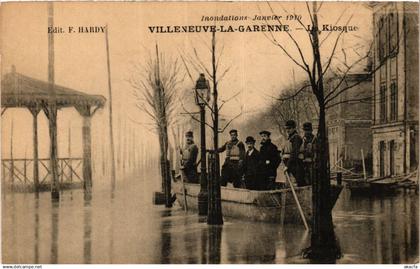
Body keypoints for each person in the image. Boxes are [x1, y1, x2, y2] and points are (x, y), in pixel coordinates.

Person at [282, 120, 306, 187]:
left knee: (296, 183)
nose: (287, 130)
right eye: (286, 128)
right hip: (291, 165)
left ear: (294, 128)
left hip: (296, 165)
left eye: (289, 128)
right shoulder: (290, 138)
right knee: (290, 184)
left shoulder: (296, 138)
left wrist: (287, 165)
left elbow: (294, 153)